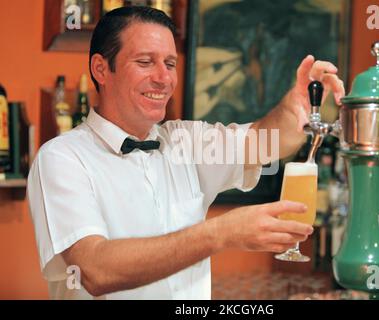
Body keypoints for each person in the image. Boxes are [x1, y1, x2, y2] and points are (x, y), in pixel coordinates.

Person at [27, 6, 345, 299]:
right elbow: (93, 270)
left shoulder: (187, 142)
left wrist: (295, 109)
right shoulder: (62, 158)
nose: (163, 78)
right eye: (145, 62)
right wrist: (220, 233)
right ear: (101, 69)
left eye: (169, 64)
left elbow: (266, 142)